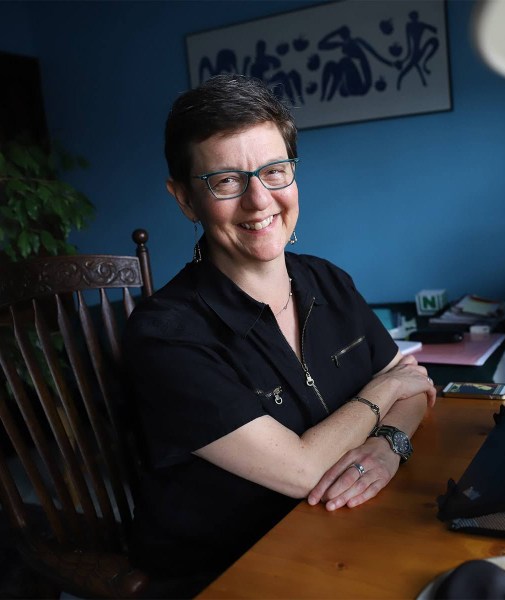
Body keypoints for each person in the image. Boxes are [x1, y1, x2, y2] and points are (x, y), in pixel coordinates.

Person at [123, 73, 436, 595]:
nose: (258, 200)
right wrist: (385, 393)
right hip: (229, 571)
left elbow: (419, 389)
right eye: (225, 181)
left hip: (342, 533)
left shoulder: (326, 279)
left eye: (274, 171)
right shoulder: (165, 335)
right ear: (183, 199)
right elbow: (303, 470)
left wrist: (388, 445)